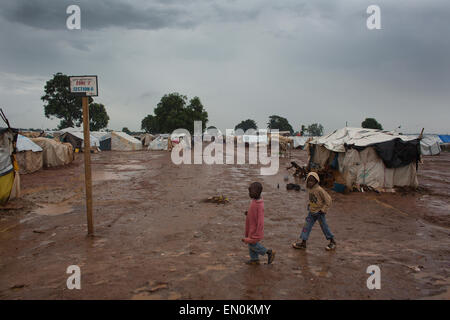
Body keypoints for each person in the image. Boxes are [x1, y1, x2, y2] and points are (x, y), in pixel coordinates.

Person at [292, 172, 336, 251]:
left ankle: (332, 241)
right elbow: (313, 199)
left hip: (319, 213)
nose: (310, 182)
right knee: (306, 227)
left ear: (316, 181)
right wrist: (309, 205)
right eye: (308, 181)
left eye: (312, 181)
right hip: (311, 212)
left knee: (324, 227)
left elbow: (328, 200)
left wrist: (323, 210)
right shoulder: (310, 189)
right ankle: (303, 243)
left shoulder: (319, 190)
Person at [242, 182, 276, 265]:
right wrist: (249, 213)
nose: (249, 194)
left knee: (252, 244)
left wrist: (257, 233)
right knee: (252, 243)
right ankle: (254, 259)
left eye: (251, 192)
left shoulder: (259, 205)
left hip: (255, 229)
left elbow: (260, 220)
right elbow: (253, 212)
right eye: (249, 192)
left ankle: (268, 252)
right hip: (251, 227)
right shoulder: (254, 200)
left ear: (258, 192)